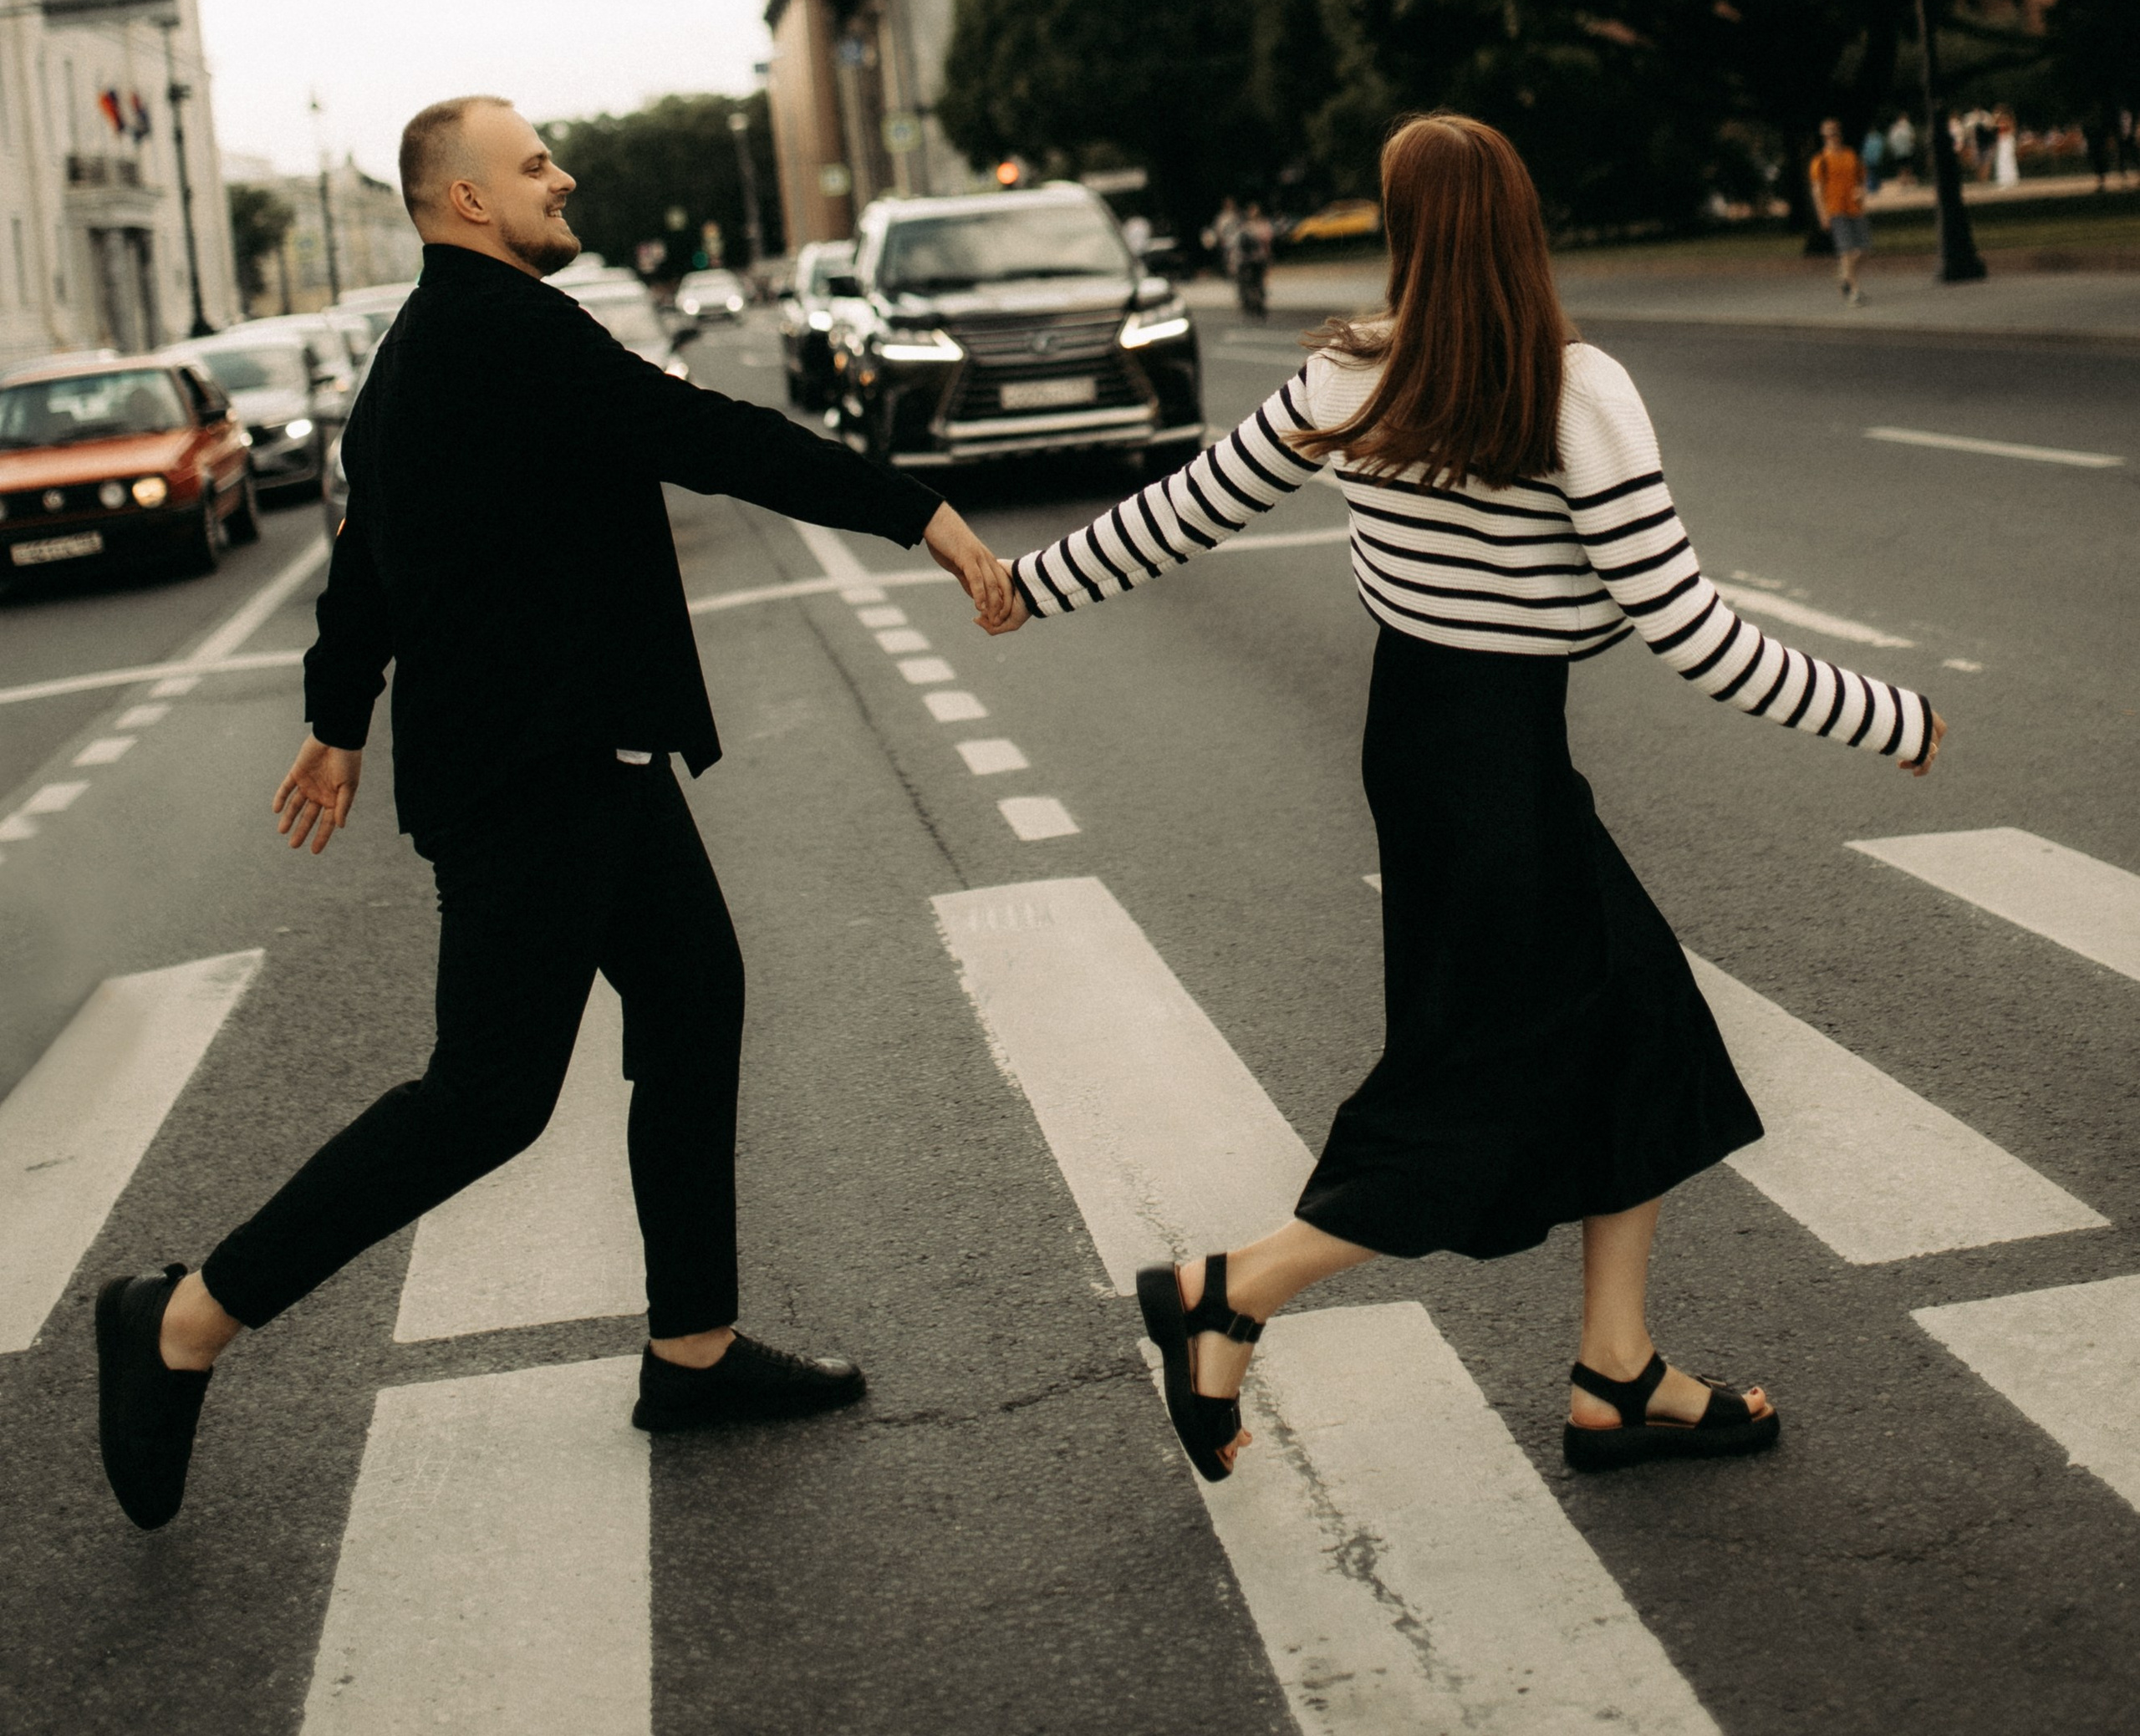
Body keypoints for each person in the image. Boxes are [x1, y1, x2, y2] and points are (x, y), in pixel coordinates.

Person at [94, 96, 1016, 1530]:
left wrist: (339, 722)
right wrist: (922, 516)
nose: (561, 175)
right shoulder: (497, 330)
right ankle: (185, 1317)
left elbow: (367, 559)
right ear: (464, 202)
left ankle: (692, 1350)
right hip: (538, 773)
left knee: (697, 997)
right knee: (487, 1096)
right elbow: (700, 432)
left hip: (590, 756)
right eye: (533, 167)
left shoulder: (419, 359)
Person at [1001, 113, 1944, 1484]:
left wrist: (1029, 586)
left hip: (1424, 751)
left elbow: (1184, 509)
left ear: (1405, 234)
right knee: (1477, 1096)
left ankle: (1615, 1373)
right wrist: (1888, 718)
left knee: (1642, 1030)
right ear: (1520, 220)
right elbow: (1687, 632)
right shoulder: (1573, 395)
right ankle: (1227, 1293)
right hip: (1500, 768)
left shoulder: (1351, 378)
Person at [1808, 116, 1870, 304]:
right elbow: (1817, 191)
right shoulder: (1821, 161)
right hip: (1835, 210)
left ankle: (1844, 277)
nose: (1832, 137)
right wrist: (1823, 215)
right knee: (1846, 252)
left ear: (1839, 134)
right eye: (1828, 134)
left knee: (1863, 250)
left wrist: (1861, 192)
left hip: (1855, 208)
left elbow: (1861, 179)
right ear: (1823, 137)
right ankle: (1853, 291)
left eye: (1835, 133)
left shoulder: (1851, 155)